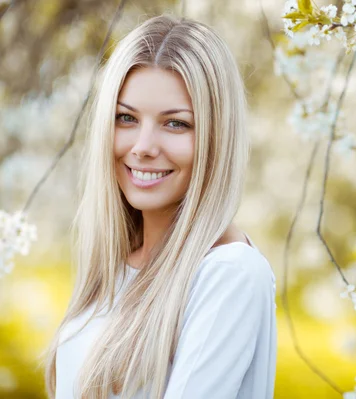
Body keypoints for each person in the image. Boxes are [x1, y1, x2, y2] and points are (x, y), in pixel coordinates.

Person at [41, 13, 277, 399]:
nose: (143, 146)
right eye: (126, 118)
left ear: (217, 137)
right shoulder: (116, 268)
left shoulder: (229, 273)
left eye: (176, 124)